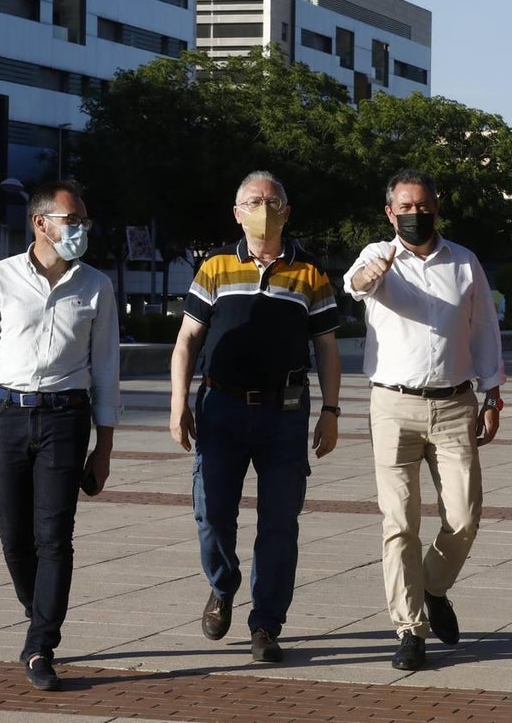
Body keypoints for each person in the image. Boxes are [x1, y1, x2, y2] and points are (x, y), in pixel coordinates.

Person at [169, 170, 342, 663]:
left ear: (286, 211)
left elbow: (327, 348)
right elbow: (187, 340)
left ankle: (266, 623)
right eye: (252, 200)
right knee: (213, 514)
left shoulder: (311, 272)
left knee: (280, 523)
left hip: (284, 413)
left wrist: (330, 411)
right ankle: (222, 585)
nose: (262, 207)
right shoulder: (215, 266)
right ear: (236, 212)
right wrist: (178, 402)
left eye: (271, 200)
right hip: (220, 407)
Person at [0, 180, 121, 692]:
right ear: (41, 222)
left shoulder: (96, 285)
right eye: (72, 221)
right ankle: (39, 610)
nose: (81, 230)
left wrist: (105, 447)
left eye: (84, 222)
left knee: (54, 536)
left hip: (65, 419)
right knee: (14, 538)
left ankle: (40, 644)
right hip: (6, 413)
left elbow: (107, 368)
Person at [343, 169, 504, 672]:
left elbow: (483, 328)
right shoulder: (376, 254)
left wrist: (492, 390)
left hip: (455, 404)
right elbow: (355, 285)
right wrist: (373, 275)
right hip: (393, 405)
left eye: (424, 205)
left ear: (437, 207)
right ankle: (409, 629)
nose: (416, 214)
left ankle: (433, 587)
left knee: (465, 516)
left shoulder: (463, 261)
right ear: (390, 213)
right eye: (405, 207)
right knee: (400, 523)